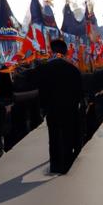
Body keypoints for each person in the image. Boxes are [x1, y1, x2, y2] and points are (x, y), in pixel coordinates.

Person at [36, 38, 85, 175]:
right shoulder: (73, 69)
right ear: (65, 51)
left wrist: (43, 108)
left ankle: (55, 166)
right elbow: (80, 92)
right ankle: (67, 166)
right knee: (68, 137)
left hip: (52, 110)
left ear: (52, 51)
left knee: (54, 138)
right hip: (70, 110)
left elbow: (42, 90)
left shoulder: (45, 68)